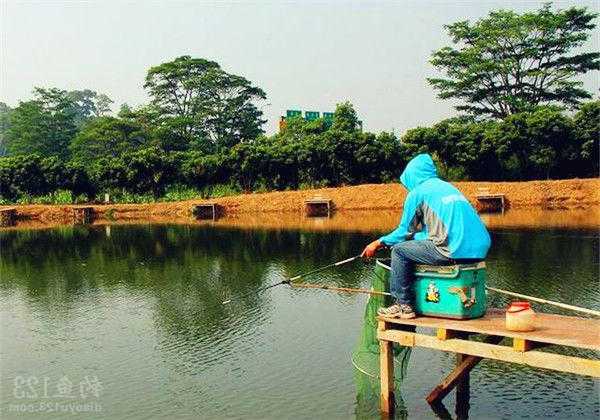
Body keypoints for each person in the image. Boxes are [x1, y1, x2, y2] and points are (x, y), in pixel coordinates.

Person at [361, 153, 491, 319]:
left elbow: (404, 232)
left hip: (453, 249)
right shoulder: (447, 187)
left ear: (411, 176)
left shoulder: (418, 193)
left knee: (399, 251)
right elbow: (431, 232)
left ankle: (403, 305)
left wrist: (378, 243)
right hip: (479, 250)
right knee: (411, 246)